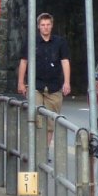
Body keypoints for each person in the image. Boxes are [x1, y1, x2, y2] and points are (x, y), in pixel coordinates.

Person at [17, 12, 71, 147]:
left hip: (54, 86)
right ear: (38, 27)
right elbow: (24, 62)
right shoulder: (31, 42)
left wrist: (67, 82)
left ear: (51, 26)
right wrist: (21, 83)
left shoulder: (60, 42)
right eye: (43, 25)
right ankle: (35, 149)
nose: (45, 27)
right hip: (36, 85)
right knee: (36, 117)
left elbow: (65, 62)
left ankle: (44, 150)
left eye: (48, 25)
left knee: (50, 122)